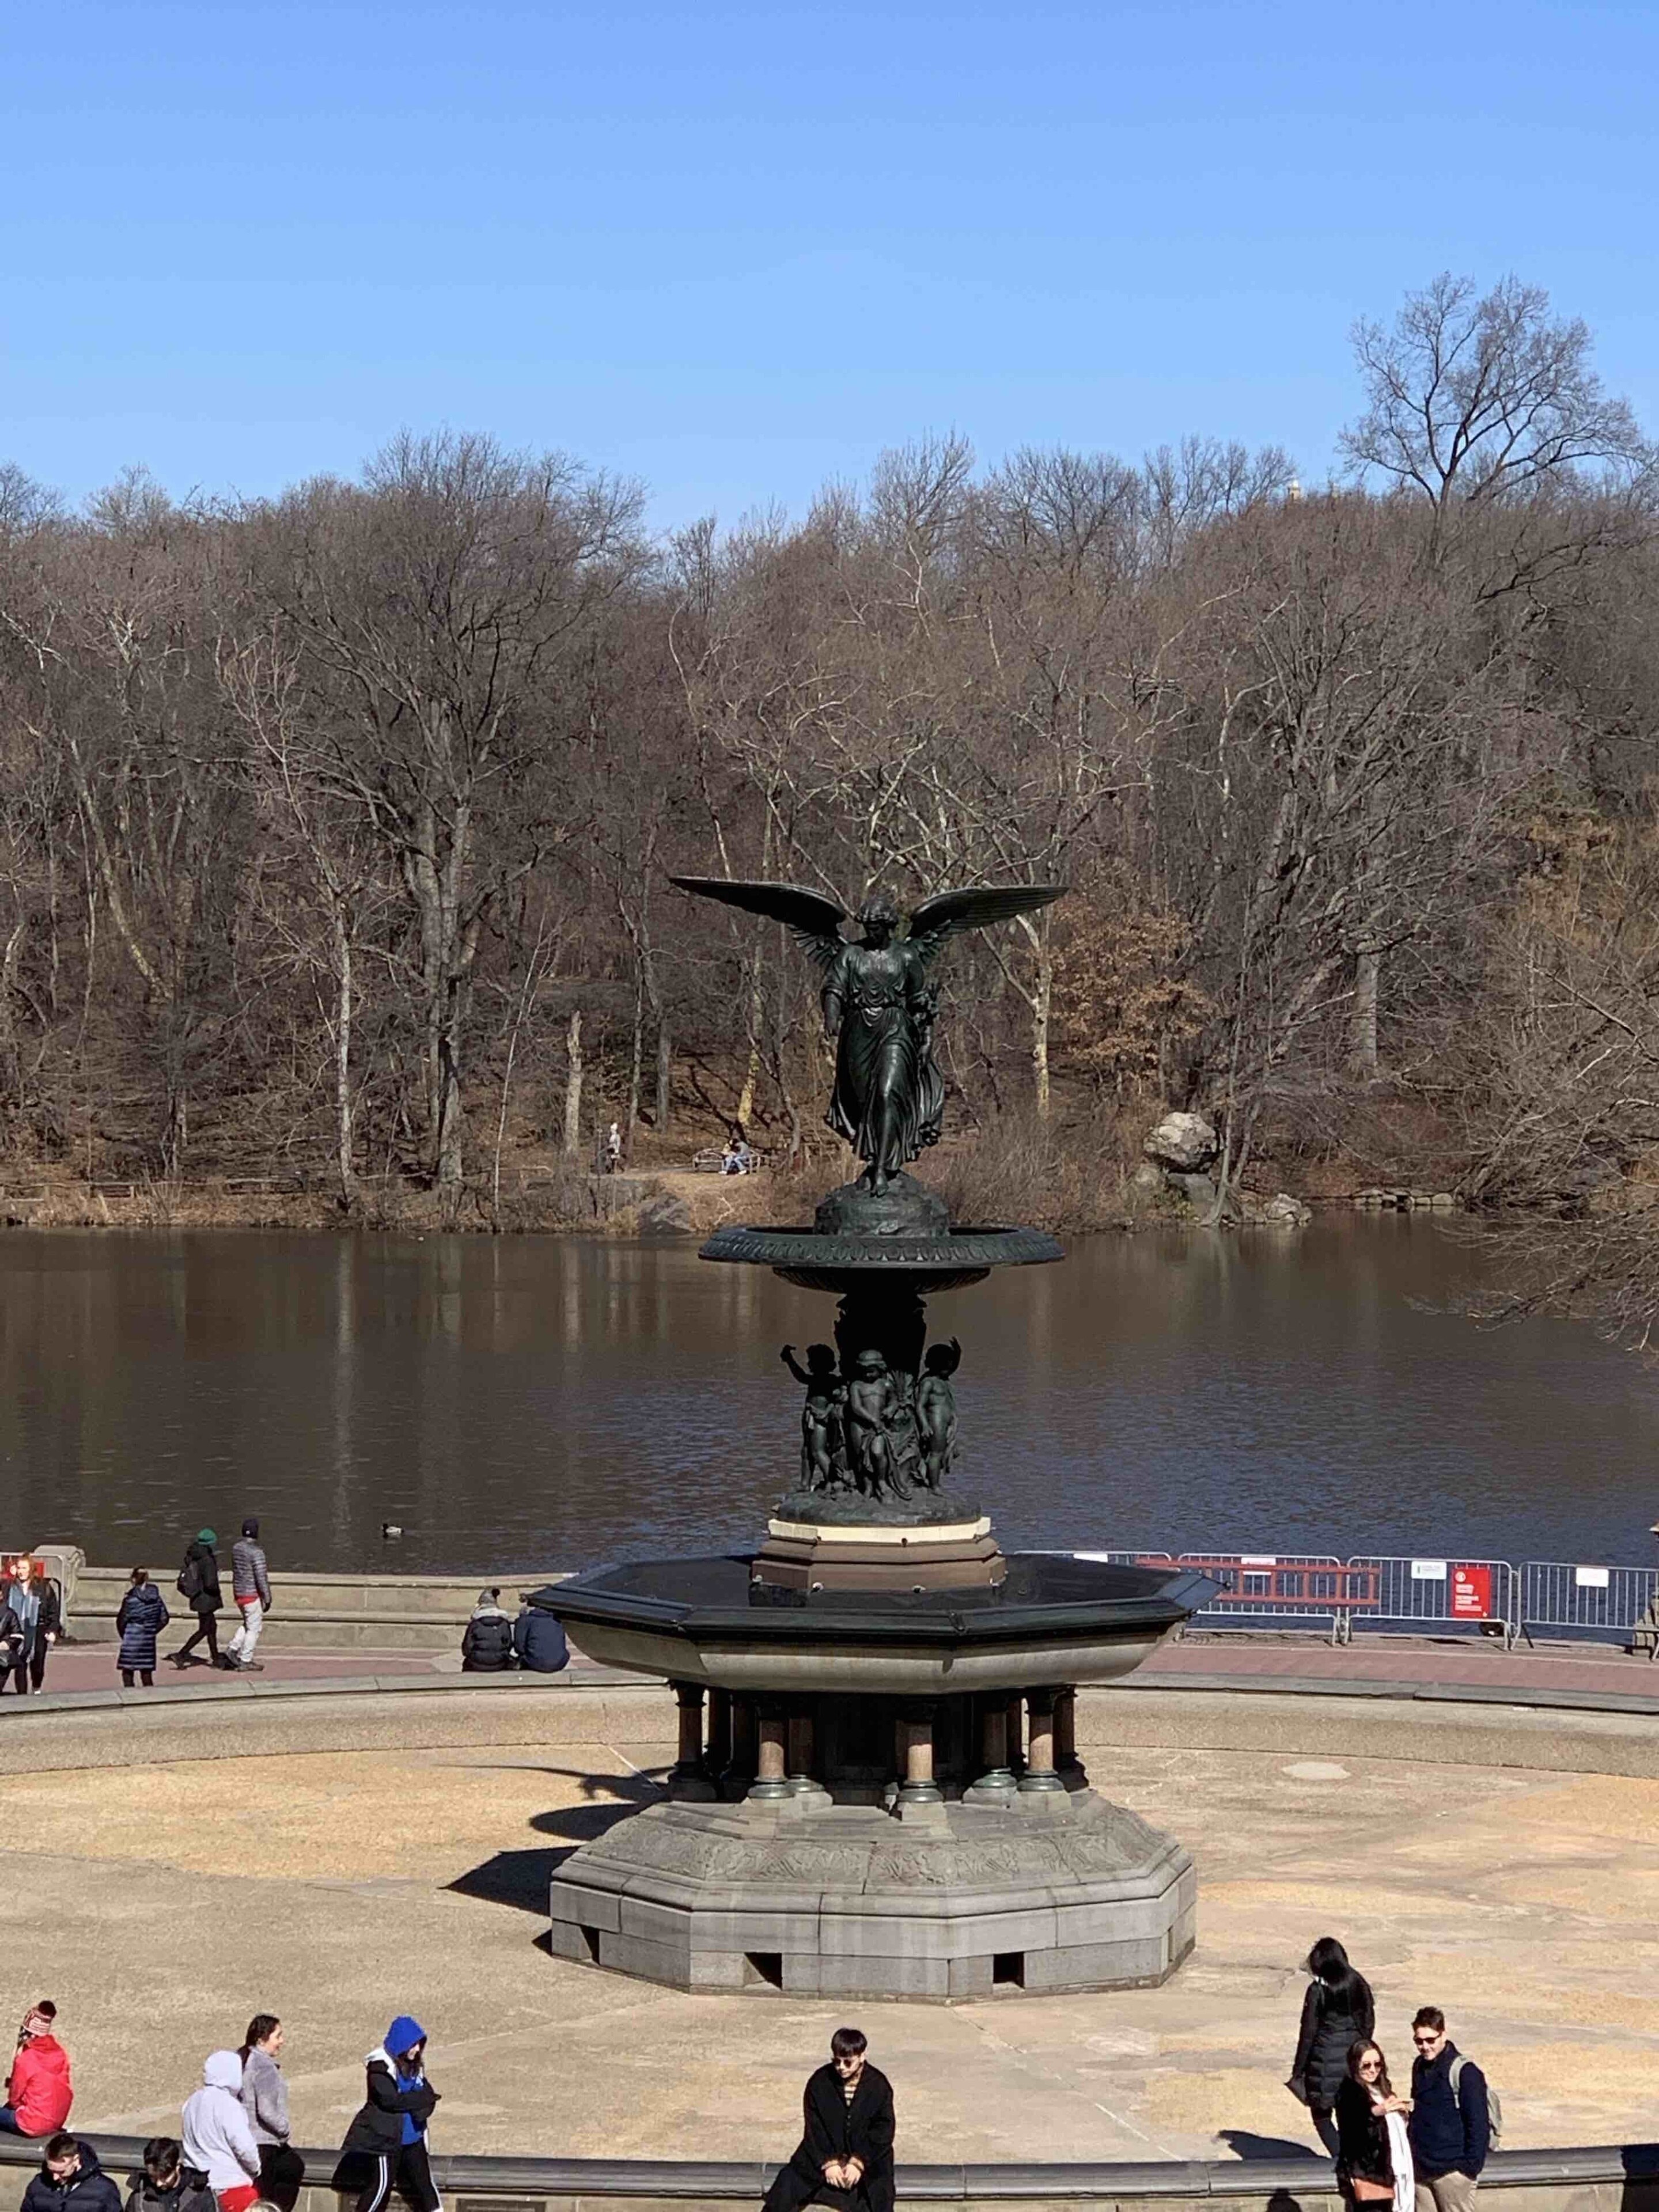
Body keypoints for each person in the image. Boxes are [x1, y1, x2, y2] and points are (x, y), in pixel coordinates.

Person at [762, 2027, 895, 2212]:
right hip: (823, 2153)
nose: (841, 2068)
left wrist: (859, 2162)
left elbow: (883, 2131)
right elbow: (814, 2128)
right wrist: (829, 2162)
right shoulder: (820, 2081)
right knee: (786, 2189)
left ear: (862, 2056)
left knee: (878, 2197)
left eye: (848, 2062)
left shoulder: (879, 2085)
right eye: (836, 2061)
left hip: (869, 2158)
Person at [334, 2016, 440, 2212]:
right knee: (381, 2187)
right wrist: (420, 2099)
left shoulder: (416, 2067)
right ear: (401, 2043)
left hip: (413, 2139)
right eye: (412, 2044)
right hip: (387, 2140)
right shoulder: (380, 2066)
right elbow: (389, 2100)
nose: (416, 2050)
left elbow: (429, 2097)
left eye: (419, 2044)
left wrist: (423, 2101)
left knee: (426, 2185)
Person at [1289, 1936, 1375, 2157]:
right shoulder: (1359, 1983)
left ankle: (1340, 2157)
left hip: (1323, 2062)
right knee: (1351, 2114)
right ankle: (1353, 2157)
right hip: (1354, 2060)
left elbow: (1307, 2033)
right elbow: (1369, 2021)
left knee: (1322, 2117)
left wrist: (1298, 2071)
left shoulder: (1318, 1990)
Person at [1408, 2008, 1490, 2212]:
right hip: (1422, 2171)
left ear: (1443, 2034)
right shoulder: (1419, 2066)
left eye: (1430, 2040)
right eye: (1419, 2041)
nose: (1425, 2047)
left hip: (1452, 2173)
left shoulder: (1466, 2072)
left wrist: (1468, 2169)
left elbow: (1479, 2125)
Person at [1336, 2040, 1414, 2212]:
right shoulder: (1350, 2093)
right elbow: (1354, 2129)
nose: (1373, 2070)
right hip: (1370, 2175)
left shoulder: (1383, 2090)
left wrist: (1402, 2114)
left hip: (1394, 2171)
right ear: (1355, 2065)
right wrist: (1378, 2112)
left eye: (1377, 2064)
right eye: (1366, 2065)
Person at [180, 2051, 262, 2212]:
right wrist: (255, 2168)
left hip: (196, 2186)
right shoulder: (228, 2105)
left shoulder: (192, 2102)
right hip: (230, 2185)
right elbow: (245, 2147)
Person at [238, 2017, 300, 2211]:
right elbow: (266, 2110)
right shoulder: (264, 2067)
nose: (282, 2041)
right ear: (262, 2039)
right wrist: (284, 2130)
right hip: (265, 2142)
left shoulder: (244, 2061)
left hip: (249, 2139)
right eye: (278, 2036)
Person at [1, 2004, 72, 2136]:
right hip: (57, 2120)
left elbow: (14, 2098)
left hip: (34, 2123)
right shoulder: (60, 2053)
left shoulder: (27, 2058)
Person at [2, 1557, 63, 1695]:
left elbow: (53, 1611)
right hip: (17, 1630)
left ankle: (36, 1687)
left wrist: (53, 1630)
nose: (21, 1572)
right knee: (20, 1664)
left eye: (24, 1568)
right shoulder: (9, 1587)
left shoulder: (43, 1587)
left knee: (38, 1665)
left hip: (37, 1630)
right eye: (19, 1568)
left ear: (31, 1570)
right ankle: (22, 1695)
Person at [20, 2133, 122, 2212]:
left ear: (76, 2160)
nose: (55, 2177)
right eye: (52, 2171)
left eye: (61, 2171)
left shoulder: (104, 2189)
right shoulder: (39, 2184)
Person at [226, 1520, 272, 1673]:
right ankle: (246, 1659)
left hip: (239, 1592)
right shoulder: (257, 1552)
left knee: (247, 1624)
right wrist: (267, 1597)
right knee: (254, 1628)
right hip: (252, 1595)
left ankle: (233, 1648)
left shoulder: (236, 1549)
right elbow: (261, 1577)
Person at [173, 1532, 223, 1669]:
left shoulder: (193, 1555)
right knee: (205, 1629)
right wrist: (217, 1591)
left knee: (212, 1628)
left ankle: (216, 1657)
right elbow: (210, 1583)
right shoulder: (207, 1559)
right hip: (206, 1599)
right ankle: (181, 1654)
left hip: (198, 1598)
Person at [123, 2138, 213, 2212]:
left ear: (177, 2167)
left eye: (164, 2177)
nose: (159, 2183)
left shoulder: (200, 2194)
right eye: (153, 2177)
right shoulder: (140, 2197)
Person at [116, 1570, 169, 1690]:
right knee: (146, 1672)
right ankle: (149, 1698)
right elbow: (165, 1618)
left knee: (128, 1671)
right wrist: (152, 1630)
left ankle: (130, 1697)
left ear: (134, 1579)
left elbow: (122, 1620)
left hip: (132, 1637)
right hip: (148, 1638)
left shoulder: (130, 1600)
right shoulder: (157, 1598)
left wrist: (124, 1634)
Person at [460, 1589, 516, 1672]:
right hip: (499, 1664)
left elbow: (466, 1649)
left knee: (467, 1664)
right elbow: (508, 1645)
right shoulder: (504, 1623)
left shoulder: (475, 1624)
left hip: (476, 1665)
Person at [511, 1599, 568, 1673]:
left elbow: (519, 1648)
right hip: (559, 1663)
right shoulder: (556, 1620)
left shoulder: (525, 1620)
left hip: (537, 1663)